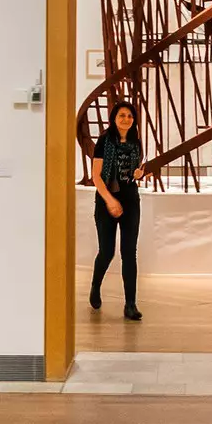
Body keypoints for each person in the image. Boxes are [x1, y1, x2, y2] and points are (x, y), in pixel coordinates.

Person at [89, 100, 149, 320]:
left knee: (129, 252)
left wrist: (138, 174)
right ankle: (95, 287)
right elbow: (96, 176)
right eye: (122, 115)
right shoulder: (104, 141)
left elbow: (133, 171)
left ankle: (130, 304)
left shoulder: (135, 142)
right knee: (107, 251)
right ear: (114, 118)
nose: (126, 119)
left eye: (130, 116)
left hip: (130, 199)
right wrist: (110, 201)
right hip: (106, 198)